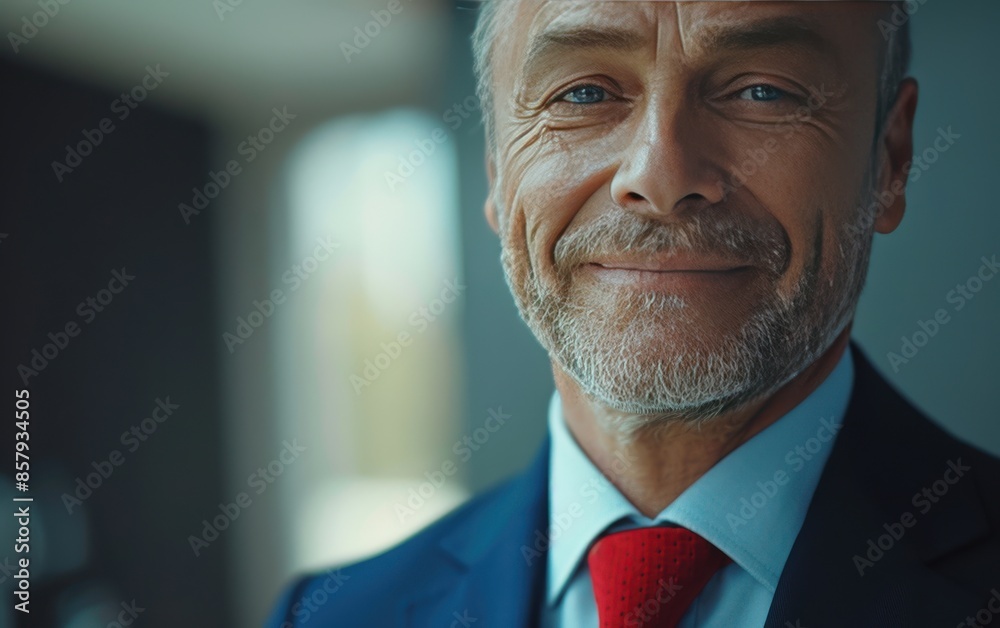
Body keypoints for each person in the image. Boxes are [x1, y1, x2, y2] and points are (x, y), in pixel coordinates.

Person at [267, 1, 1000, 626]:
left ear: (890, 159)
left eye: (763, 92)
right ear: (495, 165)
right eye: (583, 93)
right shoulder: (333, 615)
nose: (661, 175)